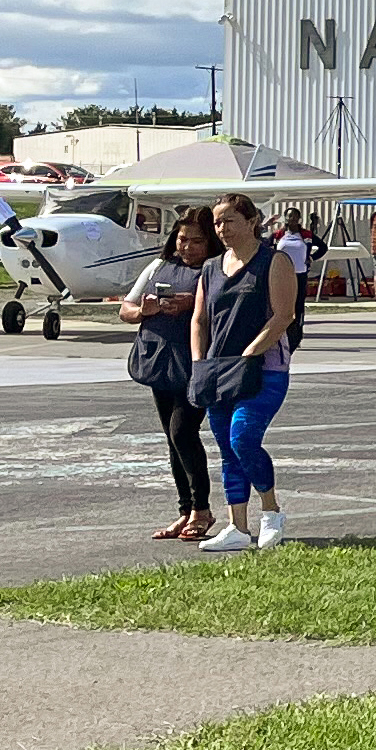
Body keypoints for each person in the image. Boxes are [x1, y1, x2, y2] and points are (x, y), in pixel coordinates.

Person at [189, 192, 297, 553]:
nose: (222, 229)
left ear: (252, 222)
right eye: (217, 223)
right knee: (226, 448)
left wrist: (249, 354)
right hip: (218, 370)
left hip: (263, 369)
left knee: (243, 439)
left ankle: (271, 512)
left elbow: (283, 315)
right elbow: (199, 319)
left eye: (229, 221)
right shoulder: (210, 267)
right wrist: (199, 362)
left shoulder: (274, 261)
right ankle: (237, 526)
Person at [120, 209, 217, 542]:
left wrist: (194, 304)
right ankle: (185, 510)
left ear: (211, 242)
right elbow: (125, 309)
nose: (187, 247)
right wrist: (144, 310)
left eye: (196, 241)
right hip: (159, 362)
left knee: (182, 432)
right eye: (182, 239)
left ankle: (201, 509)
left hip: (195, 364)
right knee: (173, 439)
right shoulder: (158, 266)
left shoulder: (216, 270)